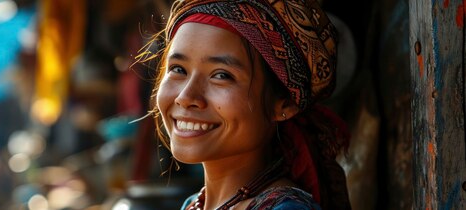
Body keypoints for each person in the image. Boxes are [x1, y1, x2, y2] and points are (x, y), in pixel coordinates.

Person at [136, 0, 351, 209]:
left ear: (284, 103)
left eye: (221, 75)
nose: (185, 97)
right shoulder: (194, 205)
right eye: (178, 69)